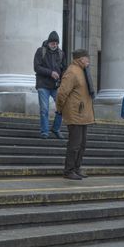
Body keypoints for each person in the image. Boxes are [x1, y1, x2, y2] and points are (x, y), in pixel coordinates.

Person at [56, 49, 95, 180]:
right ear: (79, 59)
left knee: (82, 144)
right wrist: (59, 108)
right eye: (86, 58)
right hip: (75, 113)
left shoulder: (83, 71)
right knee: (74, 144)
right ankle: (69, 170)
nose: (88, 60)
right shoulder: (72, 71)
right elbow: (62, 93)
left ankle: (77, 168)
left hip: (83, 114)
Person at [34, 31, 66, 139]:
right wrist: (50, 73)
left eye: (56, 43)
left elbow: (63, 70)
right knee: (44, 109)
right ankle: (44, 132)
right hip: (43, 85)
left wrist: (62, 79)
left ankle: (56, 128)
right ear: (48, 42)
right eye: (53, 43)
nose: (54, 45)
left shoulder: (61, 54)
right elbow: (37, 68)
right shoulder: (40, 51)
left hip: (55, 86)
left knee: (63, 106)